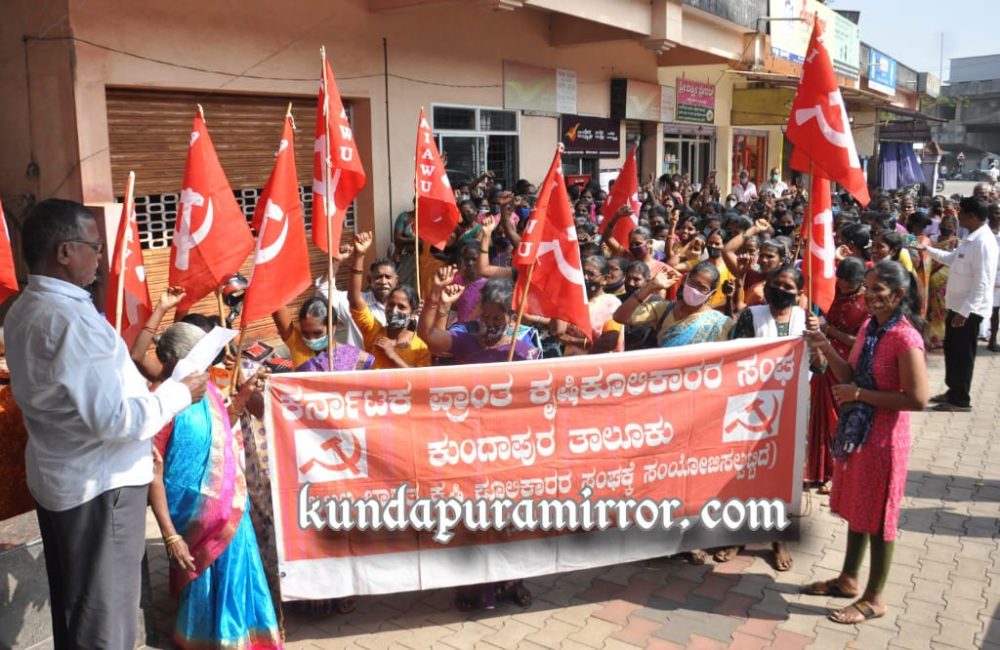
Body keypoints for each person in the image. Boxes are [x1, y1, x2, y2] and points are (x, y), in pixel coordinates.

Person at [3, 199, 208, 648]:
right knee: (105, 623)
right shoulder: (71, 321)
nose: (101, 258)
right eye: (94, 246)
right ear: (64, 251)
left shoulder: (24, 308)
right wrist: (178, 393)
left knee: (79, 611)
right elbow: (116, 420)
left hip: (68, 479)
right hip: (100, 492)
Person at [802, 261, 928, 625]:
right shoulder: (871, 327)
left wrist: (859, 395)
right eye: (867, 288)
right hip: (859, 435)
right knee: (860, 509)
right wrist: (825, 345)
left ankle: (874, 597)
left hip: (885, 440)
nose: (869, 296)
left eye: (877, 290)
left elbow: (917, 399)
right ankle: (848, 579)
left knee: (880, 517)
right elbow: (851, 373)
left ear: (898, 295)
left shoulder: (905, 337)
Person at [148, 323, 281, 648]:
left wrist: (245, 393)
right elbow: (152, 469)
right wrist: (170, 535)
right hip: (193, 516)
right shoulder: (160, 401)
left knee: (238, 574)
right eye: (201, 358)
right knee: (205, 583)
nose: (207, 365)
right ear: (178, 359)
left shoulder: (205, 389)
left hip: (229, 504)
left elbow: (223, 428)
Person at [417, 270, 537, 610]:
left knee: (507, 517)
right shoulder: (465, 341)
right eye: (487, 316)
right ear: (478, 312)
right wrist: (435, 297)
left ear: (512, 318)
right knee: (473, 517)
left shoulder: (525, 352)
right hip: (468, 444)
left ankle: (511, 582)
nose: (492, 323)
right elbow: (428, 336)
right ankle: (473, 588)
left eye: (499, 318)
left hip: (508, 447)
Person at [714, 265, 818, 571]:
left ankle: (777, 539)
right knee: (745, 469)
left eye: (789, 287)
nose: (781, 290)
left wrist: (817, 339)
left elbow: (821, 367)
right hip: (752, 406)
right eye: (777, 284)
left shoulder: (806, 319)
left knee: (784, 472)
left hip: (792, 405)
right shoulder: (752, 315)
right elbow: (737, 357)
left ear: (799, 293)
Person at [921, 197, 999, 411]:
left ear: (972, 216)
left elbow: (983, 282)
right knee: (952, 350)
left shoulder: (983, 242)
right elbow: (953, 258)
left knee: (963, 355)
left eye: (961, 213)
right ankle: (953, 390)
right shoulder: (971, 237)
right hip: (957, 307)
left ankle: (960, 399)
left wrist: (965, 312)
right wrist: (926, 249)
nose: (958, 217)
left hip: (968, 310)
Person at [807, 257, 869, 492]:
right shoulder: (832, 293)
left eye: (847, 284)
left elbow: (859, 341)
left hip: (846, 367)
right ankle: (817, 470)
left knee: (838, 419)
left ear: (861, 282)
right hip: (824, 361)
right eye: (840, 281)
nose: (842, 286)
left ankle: (837, 473)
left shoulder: (867, 304)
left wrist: (830, 330)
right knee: (819, 416)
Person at [349, 231, 432, 369]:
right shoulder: (374, 331)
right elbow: (354, 298)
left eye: (401, 307)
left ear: (413, 313)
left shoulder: (420, 347)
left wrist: (392, 354)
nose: (394, 310)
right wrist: (359, 255)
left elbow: (420, 379)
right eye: (391, 304)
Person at [613, 262, 732, 349]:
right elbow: (620, 317)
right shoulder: (663, 309)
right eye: (692, 283)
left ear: (711, 294)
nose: (695, 289)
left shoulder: (720, 324)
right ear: (685, 280)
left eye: (703, 288)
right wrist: (650, 287)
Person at [926, 213, 960, 348]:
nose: (946, 228)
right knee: (932, 309)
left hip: (947, 282)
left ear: (954, 228)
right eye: (944, 226)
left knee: (944, 308)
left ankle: (944, 336)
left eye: (949, 226)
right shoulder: (932, 239)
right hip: (931, 279)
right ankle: (933, 336)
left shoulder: (958, 243)